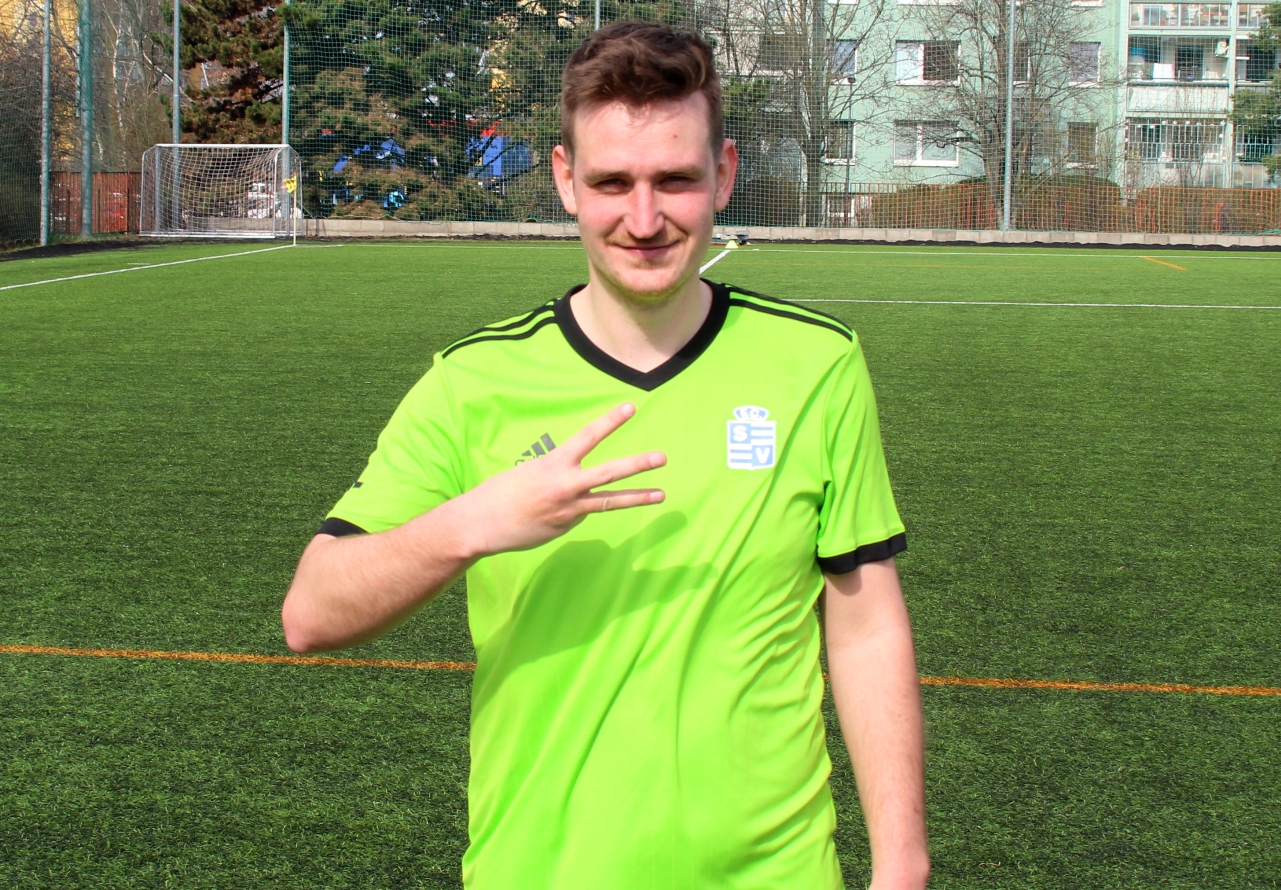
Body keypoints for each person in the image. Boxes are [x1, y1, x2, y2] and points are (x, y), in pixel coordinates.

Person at [282, 21, 929, 890]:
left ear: (724, 173)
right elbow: (311, 614)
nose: (644, 219)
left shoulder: (816, 364)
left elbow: (865, 621)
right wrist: (472, 524)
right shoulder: (473, 382)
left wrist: (901, 864)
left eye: (675, 180)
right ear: (564, 180)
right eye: (612, 182)